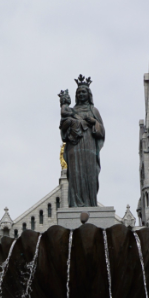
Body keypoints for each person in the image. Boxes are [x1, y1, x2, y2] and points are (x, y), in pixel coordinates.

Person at [59, 75, 105, 207]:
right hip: (75, 146)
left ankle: (90, 203)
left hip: (89, 145)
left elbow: (101, 131)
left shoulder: (93, 110)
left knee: (90, 174)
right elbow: (63, 128)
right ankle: (76, 203)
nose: (81, 94)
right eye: (78, 92)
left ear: (89, 94)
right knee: (75, 175)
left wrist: (94, 122)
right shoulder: (71, 110)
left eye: (83, 92)